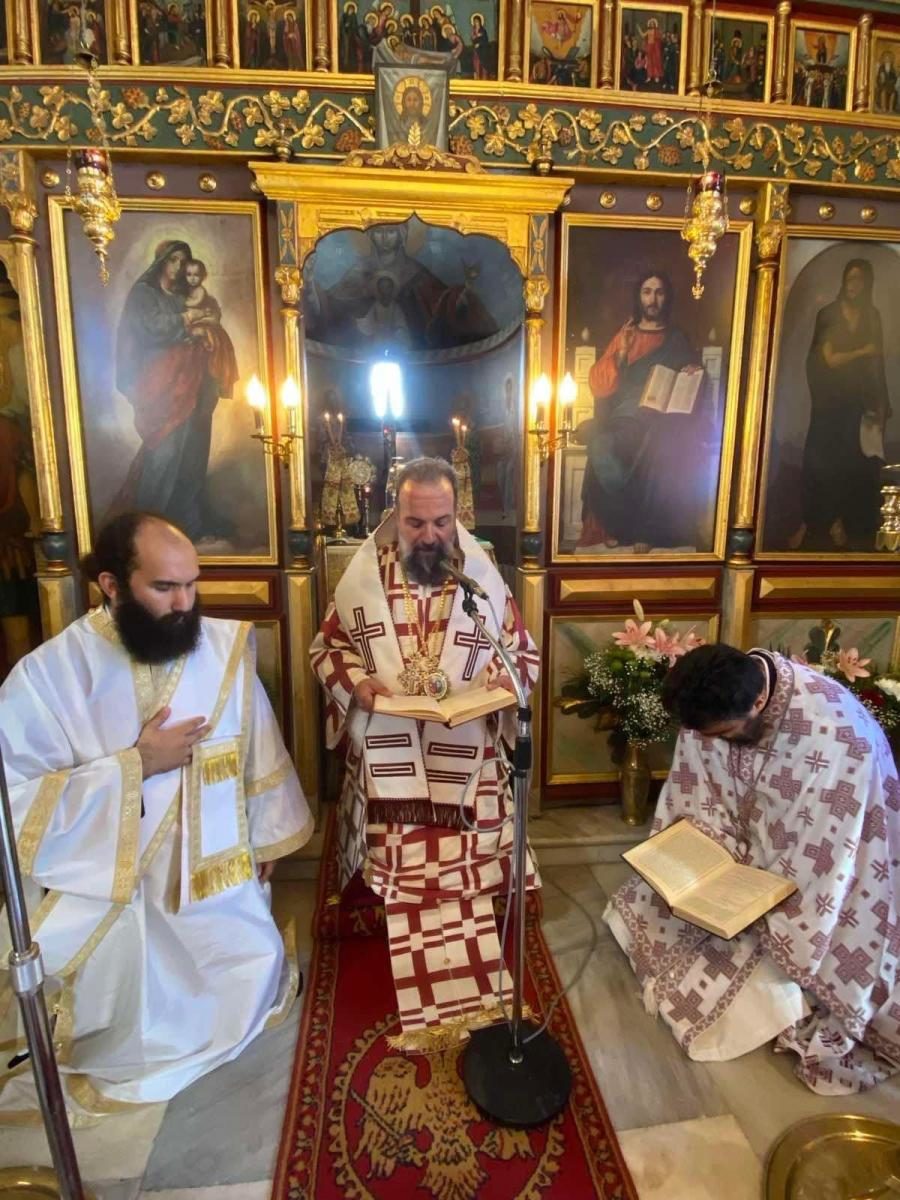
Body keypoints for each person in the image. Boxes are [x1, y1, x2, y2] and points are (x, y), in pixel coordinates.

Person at [0, 512, 312, 1116]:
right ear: (112, 585)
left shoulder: (221, 648)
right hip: (121, 895)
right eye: (165, 587)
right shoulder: (50, 676)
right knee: (138, 1018)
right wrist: (137, 765)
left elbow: (256, 740)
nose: (185, 604)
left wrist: (265, 836)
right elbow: (16, 800)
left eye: (192, 585)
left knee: (243, 971)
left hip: (215, 878)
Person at [310, 457, 539, 1047]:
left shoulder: (480, 579)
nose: (430, 536)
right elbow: (326, 650)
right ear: (396, 513)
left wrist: (501, 681)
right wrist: (358, 684)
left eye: (441, 522)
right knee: (407, 862)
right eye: (415, 523)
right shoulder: (364, 580)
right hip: (393, 748)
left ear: (457, 515)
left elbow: (524, 655)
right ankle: (408, 929)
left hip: (465, 751)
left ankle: (468, 960)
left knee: (462, 862)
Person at [606, 643, 900, 1095]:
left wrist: (750, 888)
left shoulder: (837, 736)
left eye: (724, 733)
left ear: (759, 701)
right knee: (633, 912)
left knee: (722, 1018)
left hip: (820, 873)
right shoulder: (715, 699)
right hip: (743, 851)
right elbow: (697, 791)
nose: (713, 743)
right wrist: (710, 856)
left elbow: (824, 855)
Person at [575, 270, 711, 551]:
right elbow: (600, 384)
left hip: (664, 420)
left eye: (659, 292)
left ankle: (649, 532)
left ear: (666, 297)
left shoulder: (676, 339)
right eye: (647, 292)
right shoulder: (627, 334)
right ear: (639, 297)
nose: (653, 299)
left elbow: (695, 380)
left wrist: (693, 370)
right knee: (603, 443)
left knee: (663, 445)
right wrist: (622, 352)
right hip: (625, 418)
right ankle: (616, 525)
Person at [114, 239, 229, 541]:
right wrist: (188, 321)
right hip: (161, 386)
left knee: (192, 455)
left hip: (191, 383)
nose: (178, 267)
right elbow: (152, 328)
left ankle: (185, 526)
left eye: (183, 261)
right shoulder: (144, 294)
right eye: (173, 260)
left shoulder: (183, 296)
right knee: (164, 452)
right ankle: (148, 531)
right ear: (161, 261)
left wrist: (208, 333)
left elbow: (209, 319)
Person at [788, 258, 891, 552]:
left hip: (858, 402)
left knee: (853, 463)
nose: (854, 285)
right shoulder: (829, 313)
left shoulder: (872, 316)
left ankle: (841, 521)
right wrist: (863, 350)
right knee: (820, 461)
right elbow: (830, 360)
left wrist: (881, 403)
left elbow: (877, 364)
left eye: (860, 279)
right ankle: (812, 521)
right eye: (850, 278)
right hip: (828, 402)